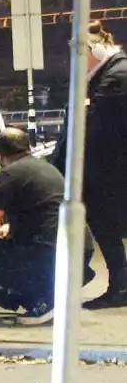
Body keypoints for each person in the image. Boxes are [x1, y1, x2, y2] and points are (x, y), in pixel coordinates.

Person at [0, 128, 96, 324]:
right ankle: (50, 295)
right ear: (28, 147)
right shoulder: (46, 168)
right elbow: (46, 208)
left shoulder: (9, 174)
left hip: (51, 253)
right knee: (9, 247)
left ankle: (40, 302)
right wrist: (9, 227)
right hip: (81, 249)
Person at [52, 21, 127, 309]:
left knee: (105, 227)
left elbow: (91, 125)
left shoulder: (116, 76)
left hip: (108, 171)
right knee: (103, 228)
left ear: (94, 50)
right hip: (104, 169)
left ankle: (119, 288)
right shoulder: (108, 72)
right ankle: (118, 285)